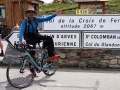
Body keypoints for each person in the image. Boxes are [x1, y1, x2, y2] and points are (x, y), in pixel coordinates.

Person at [19, 6, 62, 76]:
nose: (31, 13)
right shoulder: (25, 21)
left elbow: (46, 19)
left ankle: (51, 55)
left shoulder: (36, 19)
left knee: (49, 38)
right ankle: (32, 71)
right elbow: (21, 30)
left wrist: (55, 14)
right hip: (29, 40)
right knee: (31, 55)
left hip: (37, 37)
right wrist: (20, 40)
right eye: (29, 12)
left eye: (32, 12)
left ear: (34, 13)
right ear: (27, 13)